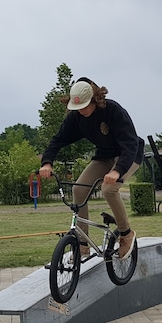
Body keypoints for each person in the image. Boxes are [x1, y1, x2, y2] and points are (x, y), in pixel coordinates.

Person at [38, 77, 143, 260]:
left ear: (95, 99)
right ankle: (82, 245)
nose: (82, 111)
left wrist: (117, 170)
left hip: (129, 155)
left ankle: (126, 234)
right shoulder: (77, 118)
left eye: (85, 106)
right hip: (104, 157)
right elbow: (58, 140)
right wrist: (47, 162)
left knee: (109, 189)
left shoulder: (113, 111)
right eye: (78, 108)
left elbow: (130, 143)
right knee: (79, 190)